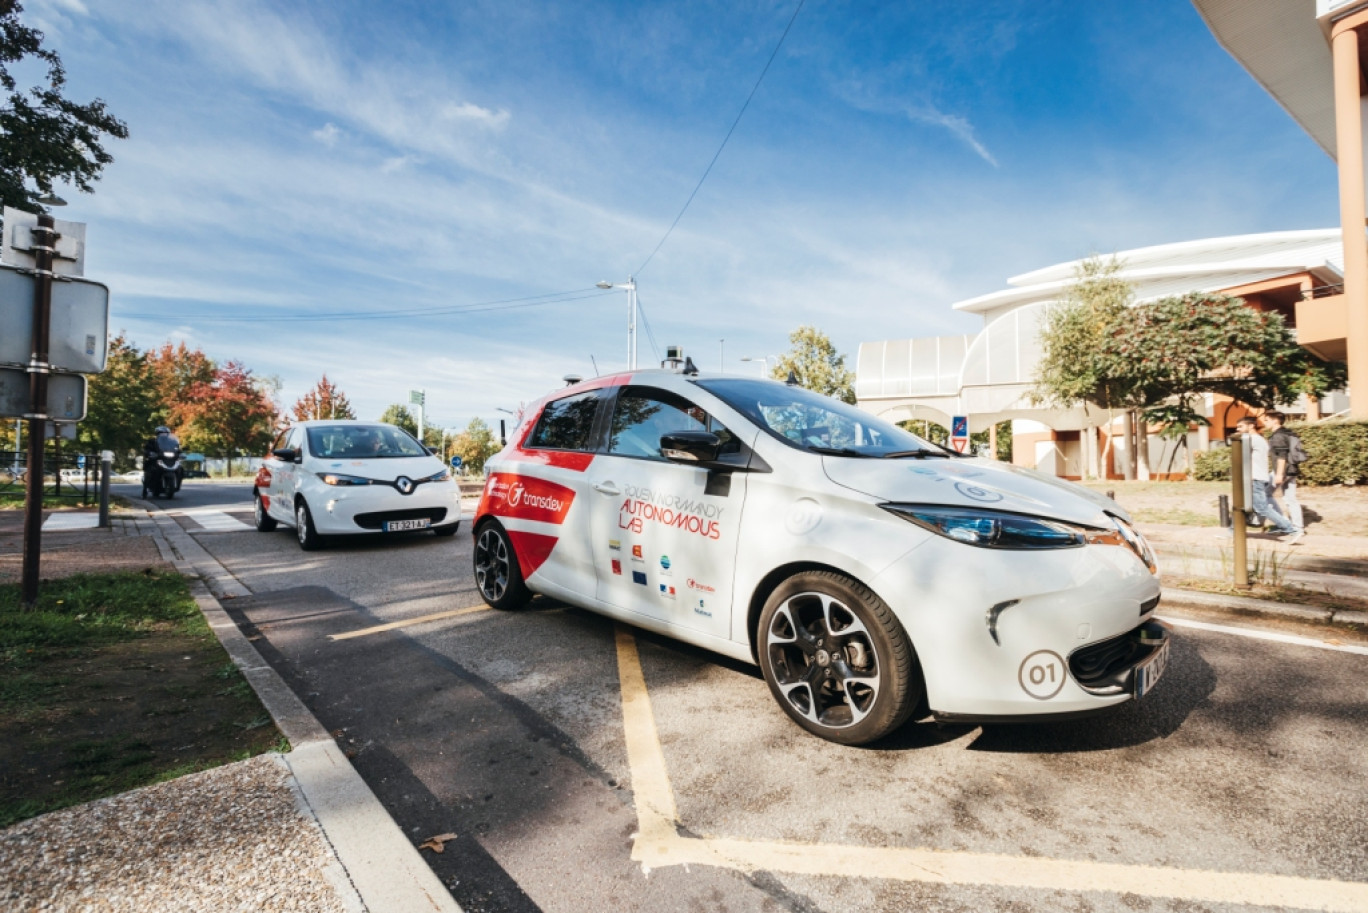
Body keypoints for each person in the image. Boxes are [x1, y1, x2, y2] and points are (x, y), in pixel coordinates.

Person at [1234, 416, 1302, 544]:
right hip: (1254, 477)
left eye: (1240, 426)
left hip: (1255, 478)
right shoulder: (1258, 439)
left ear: (1251, 426)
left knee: (1261, 508)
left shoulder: (1253, 439)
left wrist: (1235, 437)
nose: (1238, 429)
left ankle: (1291, 529)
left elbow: (1236, 447)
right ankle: (1232, 531)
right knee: (1240, 505)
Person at [1260, 410, 1305, 534]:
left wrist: (1279, 474)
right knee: (1291, 499)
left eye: (1267, 420)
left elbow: (1282, 456)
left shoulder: (1278, 436)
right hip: (1292, 470)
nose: (1264, 422)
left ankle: (1282, 524)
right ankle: (1298, 528)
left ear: (1275, 420)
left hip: (1282, 471)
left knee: (1264, 494)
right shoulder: (1288, 432)